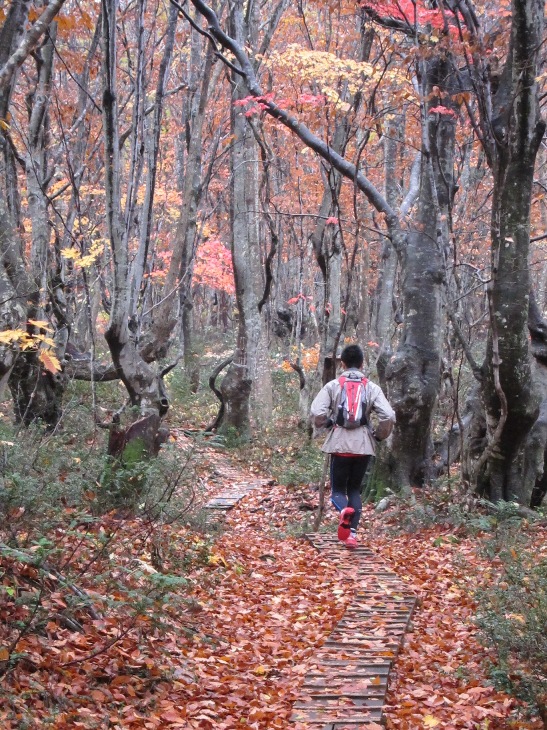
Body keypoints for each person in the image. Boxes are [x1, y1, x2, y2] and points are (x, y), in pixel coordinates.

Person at [310, 344, 395, 548]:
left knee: (338, 491)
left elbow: (317, 412)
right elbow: (388, 415)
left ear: (343, 364)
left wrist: (326, 423)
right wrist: (379, 435)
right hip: (363, 444)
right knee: (355, 490)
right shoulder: (371, 387)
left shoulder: (333, 385)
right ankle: (351, 536)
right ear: (362, 363)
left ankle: (343, 512)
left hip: (340, 444)